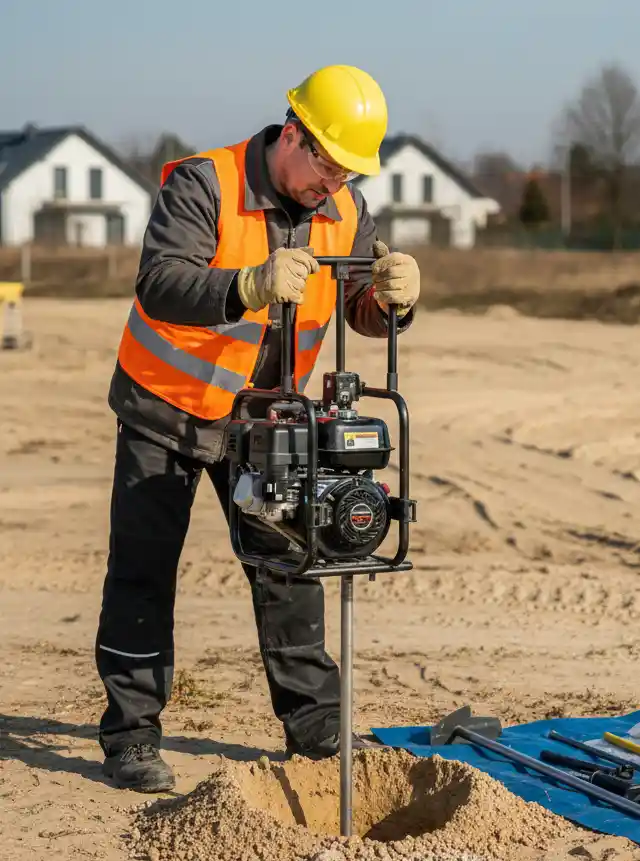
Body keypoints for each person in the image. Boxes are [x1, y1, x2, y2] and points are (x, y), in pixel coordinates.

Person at [94, 65, 420, 793]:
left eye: (346, 171)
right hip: (165, 408)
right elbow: (160, 281)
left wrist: (393, 300)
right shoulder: (204, 185)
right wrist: (244, 285)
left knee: (291, 561)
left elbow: (362, 304)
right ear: (293, 133)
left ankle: (316, 722)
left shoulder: (344, 207)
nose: (331, 183)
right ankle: (131, 735)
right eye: (326, 164)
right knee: (144, 570)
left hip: (267, 416)